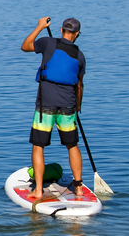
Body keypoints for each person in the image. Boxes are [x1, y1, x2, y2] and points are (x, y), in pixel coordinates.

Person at [21, 16, 86, 201]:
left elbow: (25, 46)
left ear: (61, 30)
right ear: (77, 34)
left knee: (38, 146)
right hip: (68, 107)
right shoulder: (80, 56)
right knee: (72, 146)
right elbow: (79, 86)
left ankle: (39, 190)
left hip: (45, 107)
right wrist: (78, 107)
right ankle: (79, 189)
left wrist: (40, 27)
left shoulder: (47, 43)